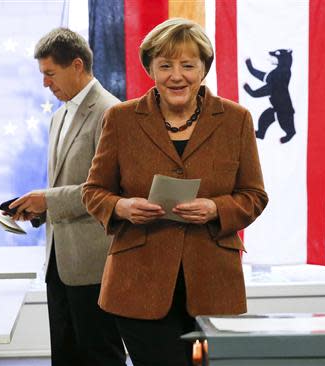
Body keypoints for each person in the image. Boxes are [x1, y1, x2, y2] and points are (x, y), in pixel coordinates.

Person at [82, 18, 268, 366]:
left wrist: (216, 209)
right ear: (151, 68)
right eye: (165, 65)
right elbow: (94, 191)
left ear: (204, 68)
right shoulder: (120, 119)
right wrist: (122, 207)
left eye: (188, 65)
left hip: (214, 281)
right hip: (137, 282)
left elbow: (254, 195)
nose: (176, 75)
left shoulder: (236, 119)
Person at [9, 28, 126, 366]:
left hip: (94, 264)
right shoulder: (58, 116)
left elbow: (110, 190)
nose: (45, 83)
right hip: (59, 263)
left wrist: (48, 199)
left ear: (77, 65)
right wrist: (37, 209)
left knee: (100, 355)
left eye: (50, 73)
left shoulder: (111, 112)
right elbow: (69, 184)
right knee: (65, 356)